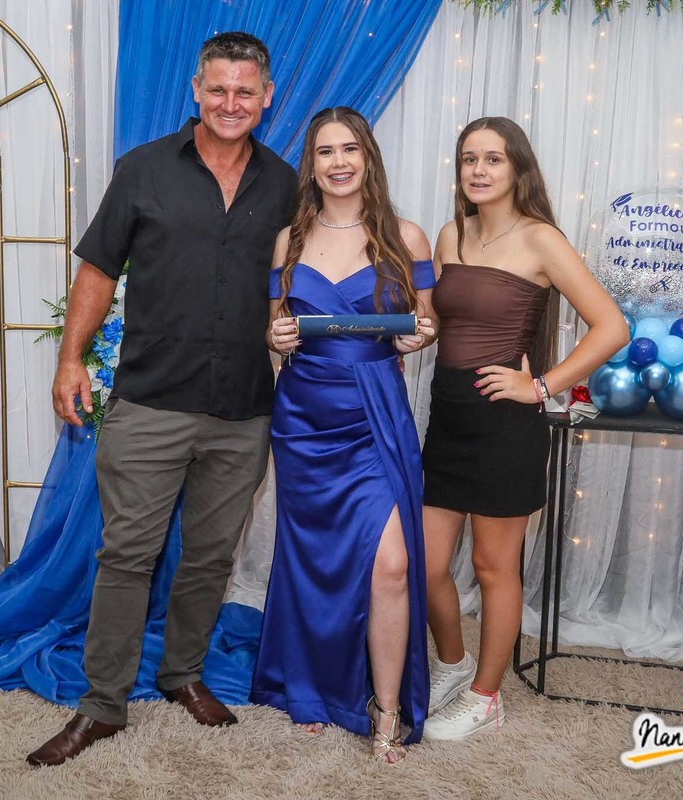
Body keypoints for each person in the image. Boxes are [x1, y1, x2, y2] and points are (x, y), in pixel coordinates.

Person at [24, 32, 297, 767]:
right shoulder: (142, 169)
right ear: (196, 91)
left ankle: (183, 674)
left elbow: (313, 276)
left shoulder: (286, 184)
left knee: (210, 557)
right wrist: (70, 358)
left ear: (267, 97)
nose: (231, 103)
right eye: (219, 89)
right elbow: (97, 269)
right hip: (151, 400)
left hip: (244, 407)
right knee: (127, 556)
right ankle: (101, 705)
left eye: (245, 91)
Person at [420, 117, 629, 740]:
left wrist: (540, 386)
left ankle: (486, 697)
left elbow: (612, 327)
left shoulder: (541, 239)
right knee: (424, 564)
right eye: (469, 158)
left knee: (493, 567)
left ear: (518, 169)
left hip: (506, 426)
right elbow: (439, 323)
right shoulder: (449, 234)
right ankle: (452, 665)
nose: (478, 170)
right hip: (447, 417)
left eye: (493, 159)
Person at [251, 107, 436, 763]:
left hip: (375, 413)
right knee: (314, 558)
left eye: (349, 149)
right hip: (305, 418)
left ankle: (385, 709)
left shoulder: (407, 237)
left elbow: (425, 321)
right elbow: (275, 327)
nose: (338, 162)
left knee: (392, 565)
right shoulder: (288, 241)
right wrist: (275, 337)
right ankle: (313, 686)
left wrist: (420, 335)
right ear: (312, 164)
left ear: (368, 158)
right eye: (325, 151)